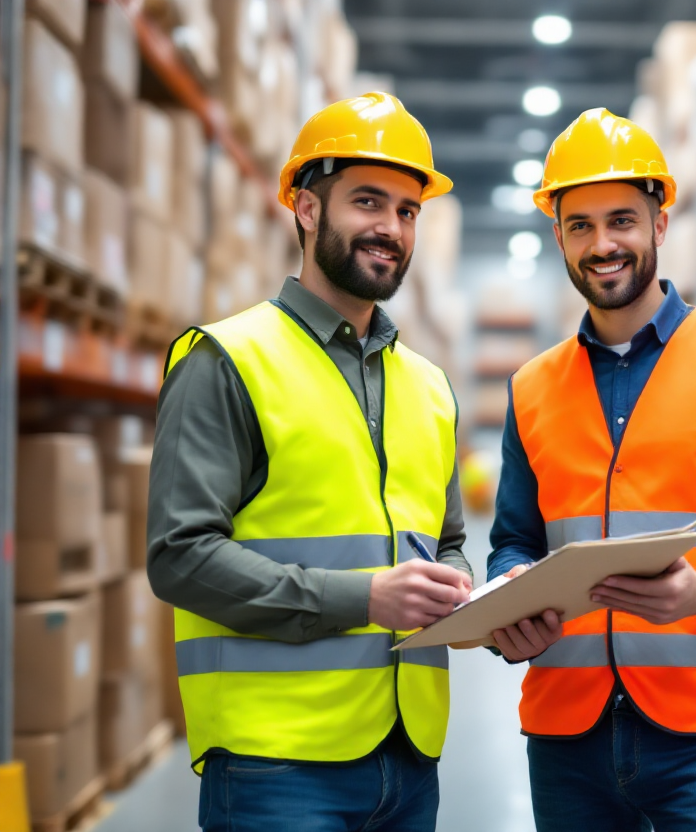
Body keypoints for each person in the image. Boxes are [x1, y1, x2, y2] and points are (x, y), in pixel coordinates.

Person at [486, 108, 696, 832]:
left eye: (621, 220)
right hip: (567, 737)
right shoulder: (532, 388)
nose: (602, 243)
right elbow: (515, 540)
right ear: (557, 236)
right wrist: (511, 600)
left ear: (660, 224)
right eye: (579, 224)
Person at [147, 92, 471, 832]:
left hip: (410, 755)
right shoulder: (227, 359)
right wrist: (364, 600)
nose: (390, 228)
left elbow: (444, 541)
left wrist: (471, 600)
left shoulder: (428, 385)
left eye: (407, 210)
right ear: (305, 208)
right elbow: (179, 557)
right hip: (276, 766)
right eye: (367, 202)